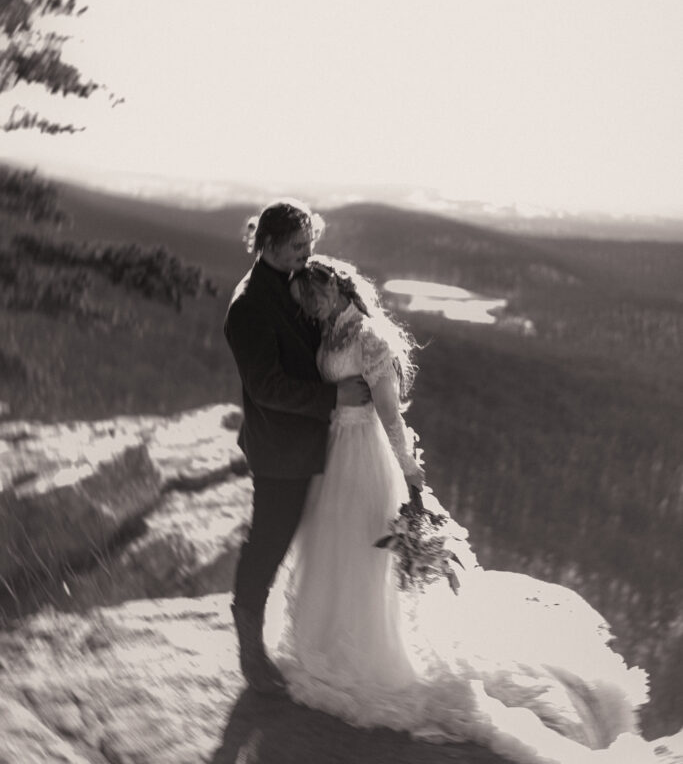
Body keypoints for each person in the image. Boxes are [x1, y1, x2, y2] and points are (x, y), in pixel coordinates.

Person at [264, 254, 679, 764]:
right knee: (332, 549)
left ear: (340, 288)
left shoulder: (371, 337)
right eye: (307, 300)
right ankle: (322, 640)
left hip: (365, 457)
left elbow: (391, 416)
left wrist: (411, 475)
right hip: (333, 451)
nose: (314, 306)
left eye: (319, 296)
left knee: (362, 554)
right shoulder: (328, 334)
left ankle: (368, 654)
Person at [223, 200, 370, 694]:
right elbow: (267, 387)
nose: (307, 255)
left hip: (311, 440)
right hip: (279, 449)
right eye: (296, 247)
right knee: (268, 541)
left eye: (310, 245)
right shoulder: (248, 306)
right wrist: (335, 396)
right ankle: (249, 651)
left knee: (292, 541)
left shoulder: (293, 281)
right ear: (266, 245)